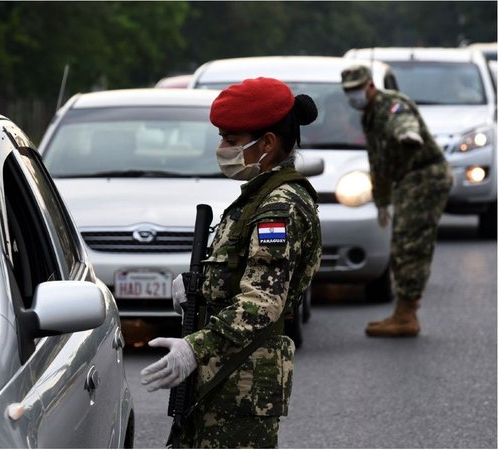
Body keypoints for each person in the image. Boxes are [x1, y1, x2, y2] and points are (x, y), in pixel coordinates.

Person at [140, 77, 322, 448]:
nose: (222, 148)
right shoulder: (258, 198)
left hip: (241, 384)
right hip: (224, 377)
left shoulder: (279, 208)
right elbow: (240, 274)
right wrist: (198, 286)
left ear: (267, 143)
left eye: (232, 140)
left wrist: (196, 348)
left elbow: (262, 303)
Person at [340, 64, 453, 337]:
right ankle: (404, 310)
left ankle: (406, 314)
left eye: (358, 89)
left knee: (410, 243)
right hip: (409, 180)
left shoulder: (391, 105)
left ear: (370, 86)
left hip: (424, 177)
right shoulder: (368, 114)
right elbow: (378, 163)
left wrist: (407, 135)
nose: (354, 95)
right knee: (402, 241)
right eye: (349, 91)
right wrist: (381, 202)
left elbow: (402, 121)